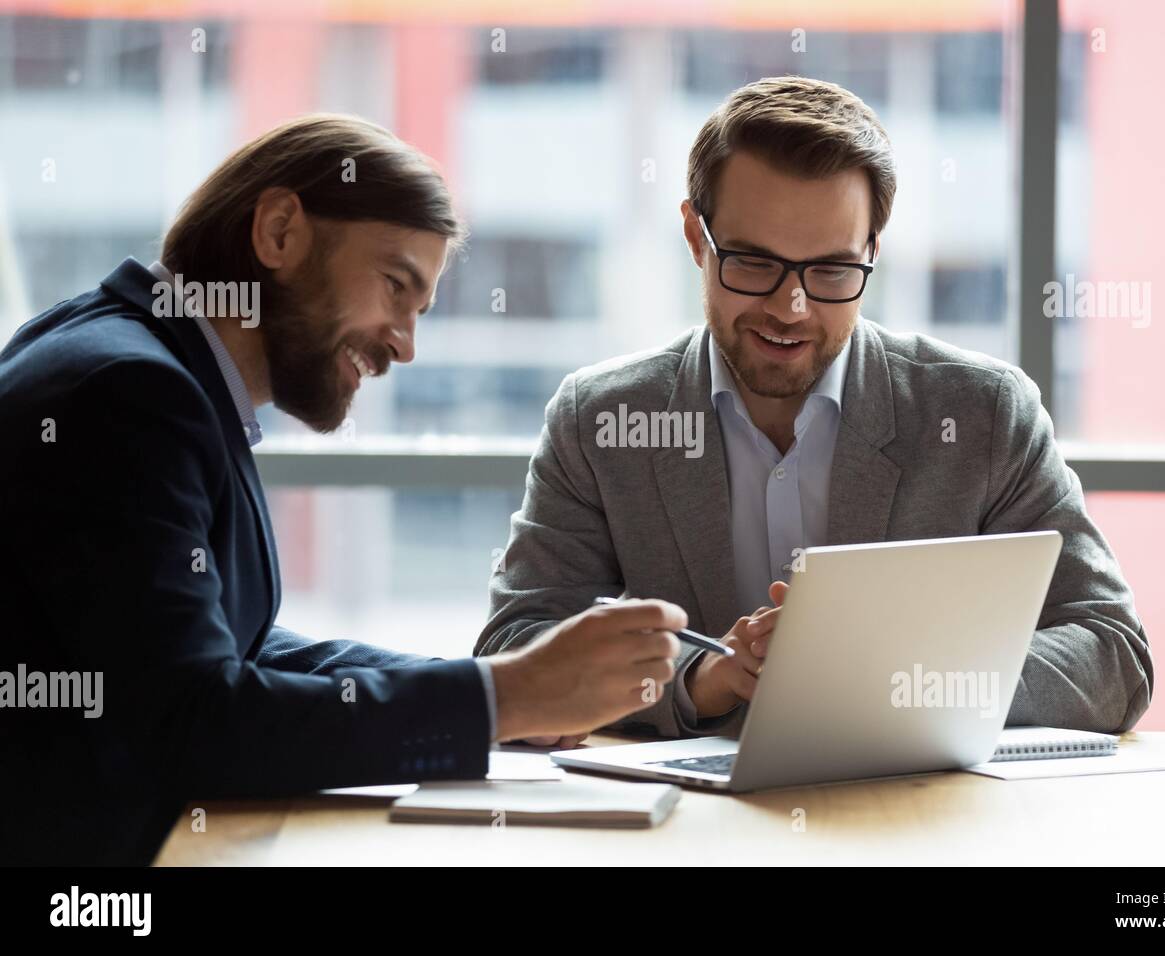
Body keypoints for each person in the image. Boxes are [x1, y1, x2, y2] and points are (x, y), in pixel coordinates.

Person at [0, 114, 684, 865]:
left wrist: (502, 692)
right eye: (396, 286)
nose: (404, 344)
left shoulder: (139, 360)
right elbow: (193, 724)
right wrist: (506, 699)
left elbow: (234, 650)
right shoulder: (130, 394)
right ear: (280, 232)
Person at [478, 77, 1154, 739]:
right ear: (694, 235)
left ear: (872, 254)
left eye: (830, 271)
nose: (789, 309)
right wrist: (695, 680)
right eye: (753, 263)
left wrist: (909, 679)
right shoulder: (601, 422)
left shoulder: (983, 415)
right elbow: (514, 648)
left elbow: (1113, 654)